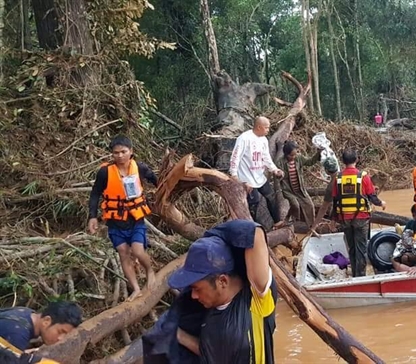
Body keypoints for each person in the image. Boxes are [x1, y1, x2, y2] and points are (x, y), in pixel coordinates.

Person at [167, 220, 278, 363]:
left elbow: (253, 233)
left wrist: (212, 235)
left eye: (196, 288)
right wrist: (179, 335)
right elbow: (210, 352)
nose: (193, 295)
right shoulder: (207, 311)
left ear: (223, 281)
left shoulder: (256, 301)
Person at [88, 135, 158, 301]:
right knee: (123, 252)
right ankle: (135, 288)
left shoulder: (140, 168)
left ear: (131, 151)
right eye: (116, 153)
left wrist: (163, 198)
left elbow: (157, 181)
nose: (120, 156)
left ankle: (149, 270)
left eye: (123, 152)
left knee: (138, 250)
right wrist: (92, 217)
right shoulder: (105, 172)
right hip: (115, 221)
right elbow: (95, 193)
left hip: (135, 219)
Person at [330, 149, 387, 277]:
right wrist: (381, 203)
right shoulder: (363, 177)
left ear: (343, 161)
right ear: (357, 160)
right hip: (361, 218)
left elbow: (335, 201)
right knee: (361, 248)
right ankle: (360, 276)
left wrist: (333, 219)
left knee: (351, 248)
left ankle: (355, 274)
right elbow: (372, 196)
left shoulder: (338, 178)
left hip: (344, 218)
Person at [229, 116, 285, 227]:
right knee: (253, 203)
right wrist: (234, 175)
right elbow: (235, 157)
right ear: (259, 127)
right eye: (267, 128)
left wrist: (274, 169)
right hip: (247, 179)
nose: (268, 130)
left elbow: (266, 157)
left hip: (259, 177)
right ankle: (251, 228)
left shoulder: (264, 140)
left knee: (271, 197)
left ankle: (278, 222)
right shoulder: (244, 138)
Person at [274, 141, 321, 228]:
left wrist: (318, 153)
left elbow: (310, 162)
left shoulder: (299, 158)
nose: (293, 157)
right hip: (288, 190)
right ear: (286, 154)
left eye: (295, 155)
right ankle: (294, 220)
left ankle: (312, 226)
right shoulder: (280, 162)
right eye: (291, 155)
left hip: (300, 189)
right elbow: (277, 176)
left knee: (310, 205)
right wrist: (279, 175)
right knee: (295, 205)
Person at [0, 301, 82, 352]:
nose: (60, 338)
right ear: (46, 321)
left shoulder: (26, 313)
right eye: (60, 332)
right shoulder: (17, 334)